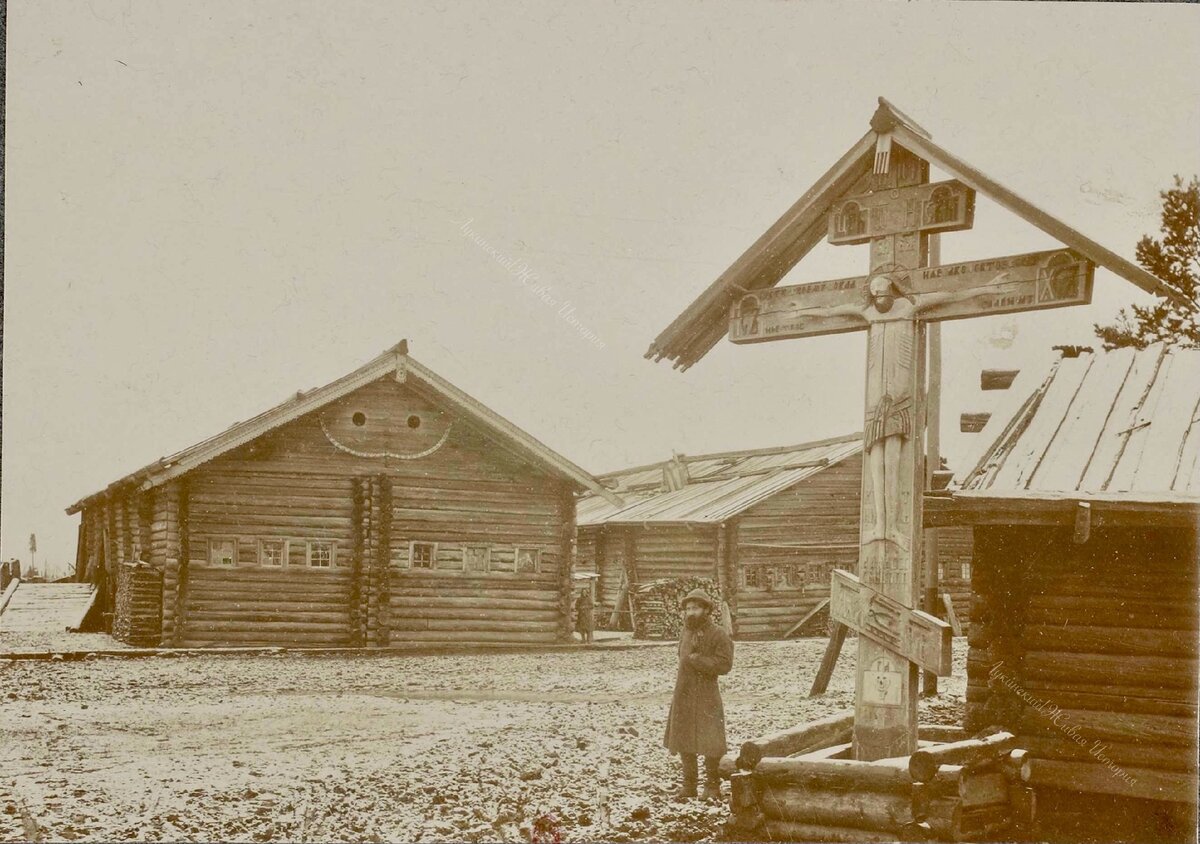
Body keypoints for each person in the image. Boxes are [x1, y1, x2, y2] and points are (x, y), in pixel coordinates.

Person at [662, 589, 734, 801]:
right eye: (688, 609)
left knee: (710, 741)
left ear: (706, 610)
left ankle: (712, 786)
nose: (691, 613)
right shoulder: (686, 632)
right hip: (684, 692)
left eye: (696, 608)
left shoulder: (718, 634)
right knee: (684, 738)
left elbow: (725, 664)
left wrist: (698, 660)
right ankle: (689, 786)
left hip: (706, 694)